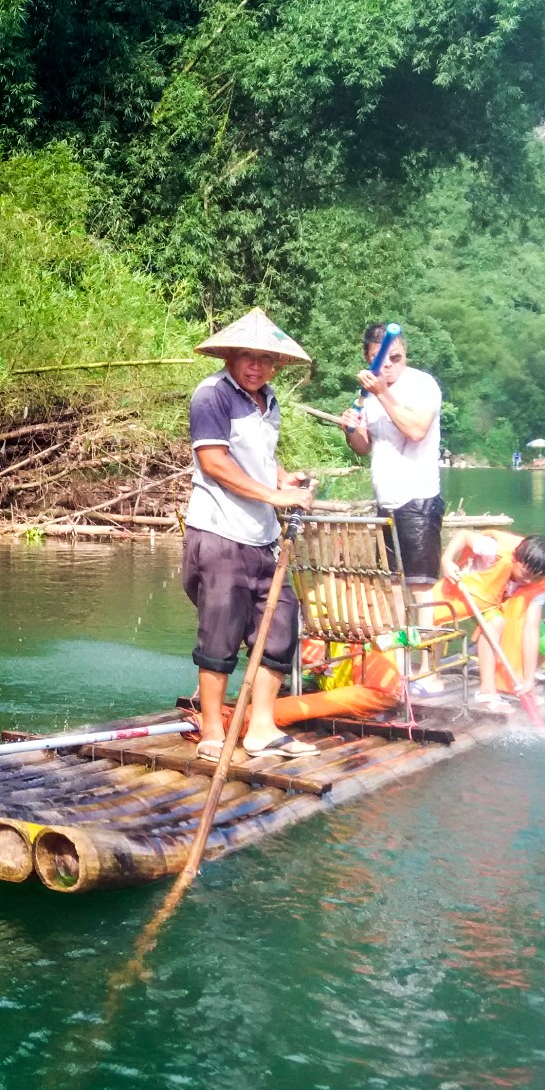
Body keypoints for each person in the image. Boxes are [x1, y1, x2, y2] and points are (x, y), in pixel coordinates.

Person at [182, 309, 320, 761]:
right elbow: (214, 462)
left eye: (265, 359)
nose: (256, 366)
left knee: (280, 627)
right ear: (230, 357)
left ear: (276, 366)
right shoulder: (212, 395)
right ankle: (212, 730)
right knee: (220, 634)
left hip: (262, 537)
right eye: (247, 357)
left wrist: (283, 480)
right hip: (219, 534)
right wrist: (275, 497)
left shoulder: (269, 400)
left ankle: (261, 727)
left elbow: (260, 457)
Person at [338, 324, 445, 594]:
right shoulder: (367, 395)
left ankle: (424, 624)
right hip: (385, 501)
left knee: (421, 588)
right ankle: (396, 623)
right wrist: (350, 429)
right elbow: (363, 447)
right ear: (367, 358)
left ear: (405, 353)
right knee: (391, 585)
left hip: (418, 500)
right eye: (378, 359)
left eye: (395, 358)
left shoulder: (422, 384)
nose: (387, 365)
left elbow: (416, 431)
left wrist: (383, 393)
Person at [441, 530, 545, 712]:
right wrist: (446, 560)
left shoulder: (539, 585)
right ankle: (487, 693)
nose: (529, 581)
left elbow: (531, 629)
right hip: (477, 596)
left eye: (536, 576)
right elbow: (463, 535)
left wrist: (529, 679)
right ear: (516, 558)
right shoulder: (493, 550)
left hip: (508, 605)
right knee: (496, 623)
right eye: (525, 573)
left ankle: (517, 682)